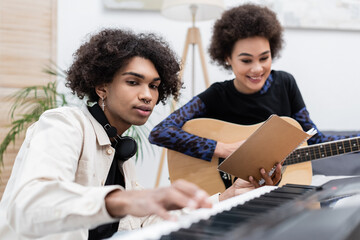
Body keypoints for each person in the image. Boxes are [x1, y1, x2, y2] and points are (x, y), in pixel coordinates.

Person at [0, 29, 216, 240]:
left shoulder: (119, 149)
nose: (147, 95)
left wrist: (224, 198)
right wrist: (124, 200)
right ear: (102, 88)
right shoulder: (64, 123)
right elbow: (32, 205)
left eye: (154, 86)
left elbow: (142, 222)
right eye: (133, 82)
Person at [149, 4, 356, 187]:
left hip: (273, 192)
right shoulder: (217, 94)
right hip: (228, 195)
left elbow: (313, 137)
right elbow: (160, 132)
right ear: (227, 58)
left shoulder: (286, 84)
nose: (257, 69)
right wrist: (224, 149)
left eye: (264, 58)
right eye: (246, 60)